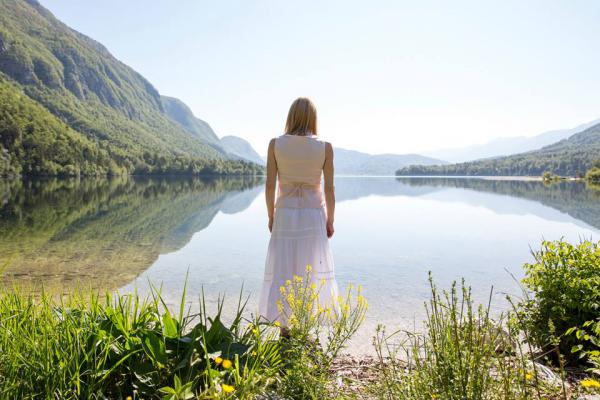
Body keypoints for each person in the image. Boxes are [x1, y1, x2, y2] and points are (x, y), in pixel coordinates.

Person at [259, 97, 339, 336]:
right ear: (313, 117)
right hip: (313, 214)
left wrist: (271, 215)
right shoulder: (324, 147)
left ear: (291, 116)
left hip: (285, 212)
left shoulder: (276, 144)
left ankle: (284, 328)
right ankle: (304, 324)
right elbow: (329, 189)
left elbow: (270, 185)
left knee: (285, 266)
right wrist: (330, 220)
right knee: (310, 267)